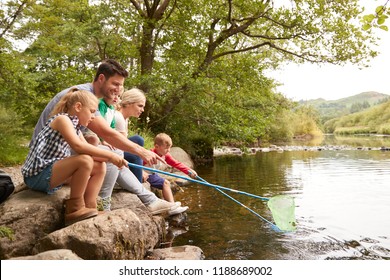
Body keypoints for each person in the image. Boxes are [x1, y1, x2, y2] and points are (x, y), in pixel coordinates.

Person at [30, 59, 177, 215]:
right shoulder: (83, 96)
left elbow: (92, 137)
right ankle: (104, 204)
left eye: (121, 85)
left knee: (105, 160)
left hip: (62, 154)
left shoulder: (89, 99)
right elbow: (105, 132)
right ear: (101, 79)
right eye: (115, 84)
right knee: (112, 155)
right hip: (47, 157)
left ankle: (93, 205)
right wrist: (140, 151)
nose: (119, 89)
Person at [21, 88, 127, 226]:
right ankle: (75, 208)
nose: (93, 116)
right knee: (84, 161)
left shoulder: (76, 128)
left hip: (52, 172)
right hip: (37, 175)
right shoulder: (62, 119)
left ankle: (90, 206)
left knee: (99, 166)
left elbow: (89, 151)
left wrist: (109, 159)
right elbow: (79, 147)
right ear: (78, 107)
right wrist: (110, 155)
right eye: (92, 111)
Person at [97, 88, 187, 216]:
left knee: (121, 157)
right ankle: (105, 204)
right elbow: (110, 140)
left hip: (112, 154)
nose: (142, 110)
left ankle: (152, 200)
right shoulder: (116, 116)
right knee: (130, 146)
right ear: (128, 103)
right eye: (140, 106)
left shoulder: (120, 117)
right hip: (105, 153)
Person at [144, 133, 197, 210]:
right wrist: (142, 172)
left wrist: (189, 171)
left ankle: (171, 205)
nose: (168, 150)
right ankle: (172, 207)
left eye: (170, 148)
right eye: (166, 148)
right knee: (165, 183)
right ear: (157, 147)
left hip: (152, 173)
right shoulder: (149, 154)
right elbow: (137, 163)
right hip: (145, 174)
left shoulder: (166, 155)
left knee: (166, 183)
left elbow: (176, 164)